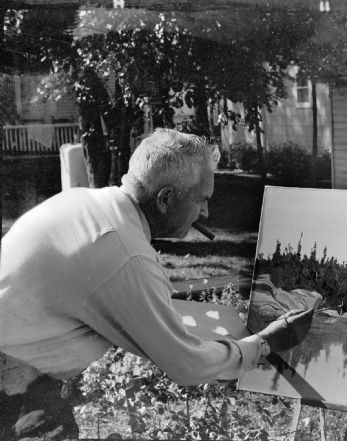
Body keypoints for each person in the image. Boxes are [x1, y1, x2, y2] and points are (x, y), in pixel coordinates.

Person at [0, 128, 314, 440]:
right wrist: (265, 342)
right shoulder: (122, 251)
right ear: (165, 198)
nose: (205, 212)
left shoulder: (85, 203)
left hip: (19, 375)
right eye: (202, 200)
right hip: (12, 393)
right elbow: (186, 364)